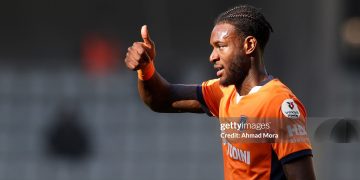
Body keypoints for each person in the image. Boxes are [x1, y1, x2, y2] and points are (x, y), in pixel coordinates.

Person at [124, 4, 316, 180]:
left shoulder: (279, 105)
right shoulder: (224, 92)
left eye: (221, 47)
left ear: (249, 45)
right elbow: (161, 99)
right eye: (212, 48)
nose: (212, 56)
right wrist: (146, 68)